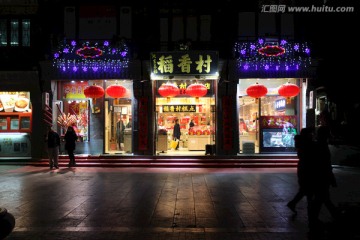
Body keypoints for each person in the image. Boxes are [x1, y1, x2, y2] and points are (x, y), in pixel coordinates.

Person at [308, 126, 339, 234]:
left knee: (322, 199)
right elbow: (325, 164)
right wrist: (331, 177)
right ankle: (314, 219)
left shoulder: (317, 145)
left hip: (319, 176)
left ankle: (314, 219)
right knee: (322, 198)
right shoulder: (322, 146)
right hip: (322, 177)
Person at [287, 127, 315, 214]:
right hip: (307, 167)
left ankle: (294, 203)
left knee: (305, 189)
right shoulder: (307, 144)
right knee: (306, 189)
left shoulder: (301, 143)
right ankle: (310, 209)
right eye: (310, 134)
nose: (312, 135)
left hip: (303, 167)